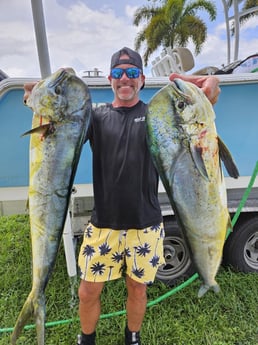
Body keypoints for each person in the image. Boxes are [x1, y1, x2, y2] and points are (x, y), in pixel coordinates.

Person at [24, 47, 220, 345]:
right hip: (103, 225)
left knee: (137, 289)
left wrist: (207, 87)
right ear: (110, 79)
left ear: (141, 79)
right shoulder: (96, 116)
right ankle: (86, 338)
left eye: (131, 73)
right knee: (88, 291)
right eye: (118, 73)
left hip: (146, 224)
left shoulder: (157, 116)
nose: (124, 78)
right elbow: (60, 124)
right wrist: (37, 101)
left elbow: (199, 112)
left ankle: (133, 337)